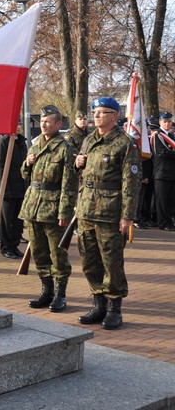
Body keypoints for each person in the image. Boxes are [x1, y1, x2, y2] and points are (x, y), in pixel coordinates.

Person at [74, 97, 141, 330]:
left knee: (112, 262)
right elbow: (81, 178)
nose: (97, 116)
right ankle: (98, 304)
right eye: (95, 112)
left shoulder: (125, 144)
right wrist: (77, 165)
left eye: (102, 112)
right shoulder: (88, 140)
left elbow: (131, 184)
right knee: (89, 261)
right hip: (86, 210)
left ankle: (114, 309)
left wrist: (127, 216)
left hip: (110, 213)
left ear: (114, 116)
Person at [19, 105, 77, 312]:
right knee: (39, 252)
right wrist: (27, 163)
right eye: (42, 121)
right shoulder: (34, 146)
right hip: (34, 205)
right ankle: (46, 291)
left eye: (48, 121)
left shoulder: (65, 149)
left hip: (53, 208)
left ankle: (60, 295)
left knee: (57, 254)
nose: (44, 124)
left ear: (58, 124)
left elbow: (69, 184)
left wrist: (64, 212)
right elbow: (25, 175)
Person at [0, 121, 28, 259]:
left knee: (17, 221)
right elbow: (0, 166)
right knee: (6, 220)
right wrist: (4, 188)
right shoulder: (3, 142)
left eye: (19, 124)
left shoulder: (21, 142)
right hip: (7, 189)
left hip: (21, 188)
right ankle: (6, 247)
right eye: (16, 124)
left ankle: (14, 245)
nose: (18, 126)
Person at [152, 111, 175, 231]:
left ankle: (169, 221)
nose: (167, 124)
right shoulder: (158, 135)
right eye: (165, 121)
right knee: (162, 200)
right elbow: (162, 152)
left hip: (171, 172)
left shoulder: (171, 136)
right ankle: (162, 222)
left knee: (171, 199)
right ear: (160, 122)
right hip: (162, 172)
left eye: (169, 121)